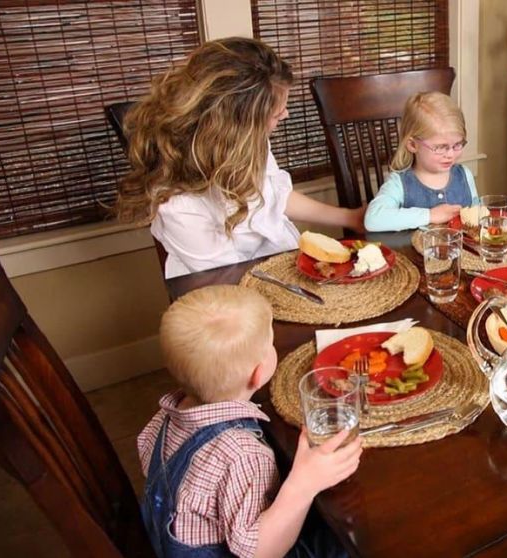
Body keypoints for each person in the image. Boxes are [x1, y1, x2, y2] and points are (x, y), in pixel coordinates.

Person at [139, 285, 361, 557]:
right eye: (270, 343)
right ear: (259, 373)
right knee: (346, 538)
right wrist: (304, 484)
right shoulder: (243, 454)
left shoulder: (164, 416)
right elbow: (260, 552)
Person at [117, 38, 365, 279]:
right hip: (228, 292)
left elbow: (275, 195)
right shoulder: (177, 203)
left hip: (279, 268)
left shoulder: (247, 141)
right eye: (276, 113)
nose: (286, 114)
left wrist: (349, 217)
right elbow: (230, 279)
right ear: (233, 125)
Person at [363, 91, 479, 231]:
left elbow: (477, 216)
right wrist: (430, 215)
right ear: (413, 145)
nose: (450, 154)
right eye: (440, 147)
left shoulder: (464, 175)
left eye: (457, 145)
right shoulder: (399, 183)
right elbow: (373, 220)